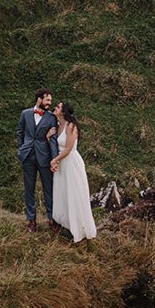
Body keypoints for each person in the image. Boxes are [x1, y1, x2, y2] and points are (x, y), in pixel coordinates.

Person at [50, 100, 97, 243]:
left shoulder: (71, 126)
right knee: (63, 194)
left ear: (63, 112)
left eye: (57, 107)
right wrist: (48, 137)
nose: (55, 108)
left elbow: (68, 148)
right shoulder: (59, 125)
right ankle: (67, 225)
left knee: (74, 194)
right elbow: (57, 144)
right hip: (62, 164)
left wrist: (55, 160)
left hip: (71, 163)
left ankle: (78, 229)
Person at [17, 90, 57, 231]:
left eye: (50, 101)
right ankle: (31, 220)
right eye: (47, 100)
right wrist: (21, 149)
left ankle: (52, 219)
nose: (49, 103)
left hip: (44, 157)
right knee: (29, 189)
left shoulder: (51, 117)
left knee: (49, 189)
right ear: (39, 99)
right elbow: (20, 132)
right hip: (27, 156)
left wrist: (54, 159)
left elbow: (53, 140)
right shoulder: (25, 114)